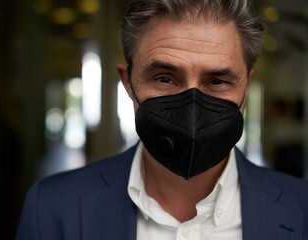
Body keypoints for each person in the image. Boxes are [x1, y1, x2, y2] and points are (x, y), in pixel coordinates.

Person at [16, 0, 308, 239]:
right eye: (165, 78)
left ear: (246, 85)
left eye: (217, 80)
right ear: (128, 83)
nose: (192, 107)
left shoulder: (302, 209)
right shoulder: (51, 208)